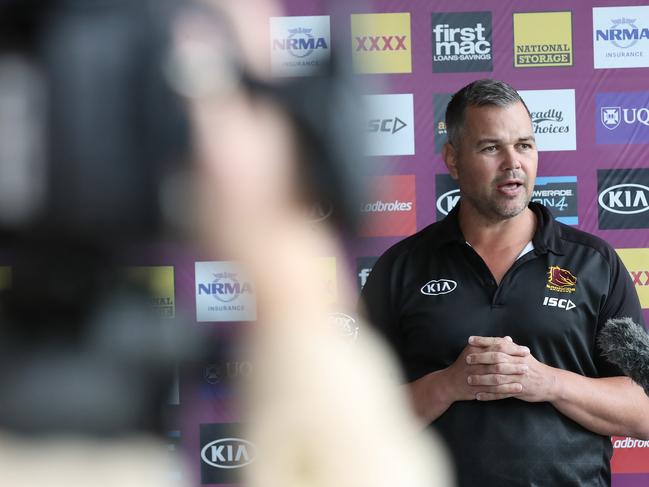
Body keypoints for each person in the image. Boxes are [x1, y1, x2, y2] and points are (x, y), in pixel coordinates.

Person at [360, 79, 649, 487]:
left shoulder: (594, 264)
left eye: (524, 145)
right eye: (491, 147)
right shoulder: (401, 268)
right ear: (453, 159)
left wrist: (547, 382)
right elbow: (357, 421)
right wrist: (448, 384)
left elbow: (643, 410)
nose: (513, 162)